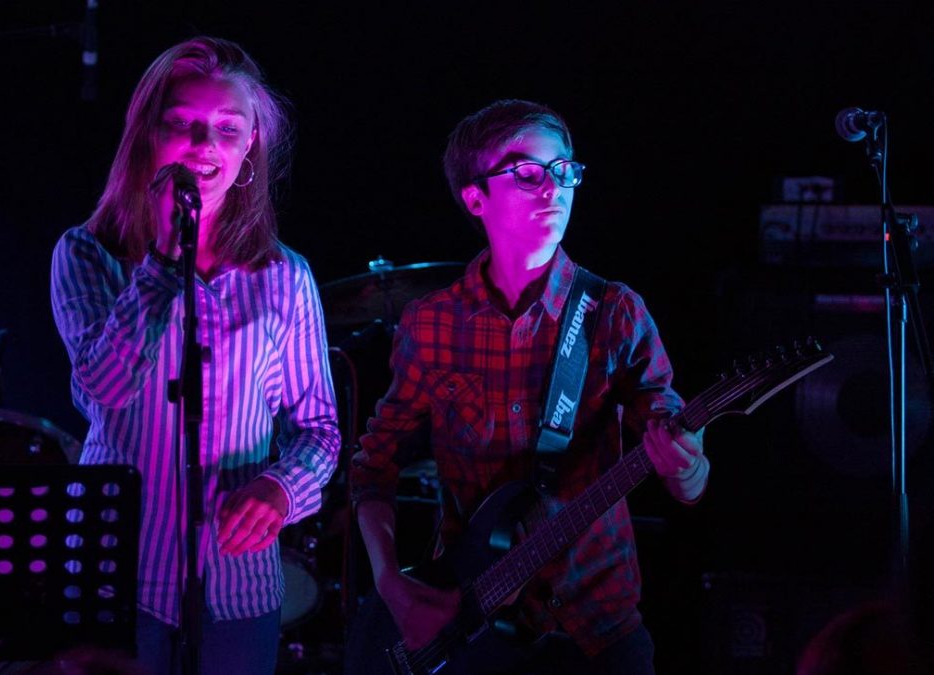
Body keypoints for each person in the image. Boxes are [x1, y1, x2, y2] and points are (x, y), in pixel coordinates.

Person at [350, 99, 708, 674]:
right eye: (526, 172)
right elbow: (374, 466)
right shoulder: (431, 323)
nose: (553, 187)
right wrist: (392, 584)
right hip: (469, 623)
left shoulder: (614, 311)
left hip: (597, 628)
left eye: (563, 171)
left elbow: (684, 464)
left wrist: (688, 468)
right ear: (475, 197)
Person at [50, 37, 340, 675]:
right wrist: (161, 260)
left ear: (250, 147)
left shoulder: (284, 276)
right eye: (182, 124)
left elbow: (318, 429)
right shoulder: (87, 254)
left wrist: (281, 488)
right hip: (113, 575)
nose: (205, 144)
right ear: (147, 135)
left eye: (228, 129)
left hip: (238, 588)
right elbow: (104, 388)